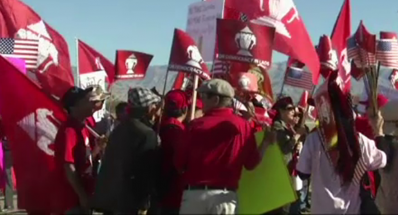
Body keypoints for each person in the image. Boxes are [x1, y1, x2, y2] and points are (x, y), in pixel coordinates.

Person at [175, 79, 275, 215]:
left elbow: (179, 163)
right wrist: (265, 143)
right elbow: (251, 164)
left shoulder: (195, 125)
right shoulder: (243, 126)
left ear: (215, 99)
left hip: (195, 195)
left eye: (204, 96)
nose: (201, 100)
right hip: (225, 198)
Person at [296, 73, 387, 214]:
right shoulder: (362, 141)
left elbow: (302, 173)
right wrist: (378, 130)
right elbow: (382, 161)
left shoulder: (313, 140)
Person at [93, 87, 161, 214]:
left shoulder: (119, 129)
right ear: (148, 108)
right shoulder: (146, 134)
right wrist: (144, 203)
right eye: (154, 106)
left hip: (110, 199)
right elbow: (145, 172)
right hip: (129, 202)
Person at [54, 86, 106, 214]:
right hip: (72, 200)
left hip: (84, 195)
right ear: (73, 107)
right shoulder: (69, 131)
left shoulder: (84, 126)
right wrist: (82, 196)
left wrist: (99, 147)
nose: (91, 103)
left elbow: (84, 160)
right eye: (85, 100)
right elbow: (69, 167)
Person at [159, 90, 188, 215]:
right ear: (185, 109)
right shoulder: (177, 131)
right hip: (173, 190)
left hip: (159, 187)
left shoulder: (159, 125)